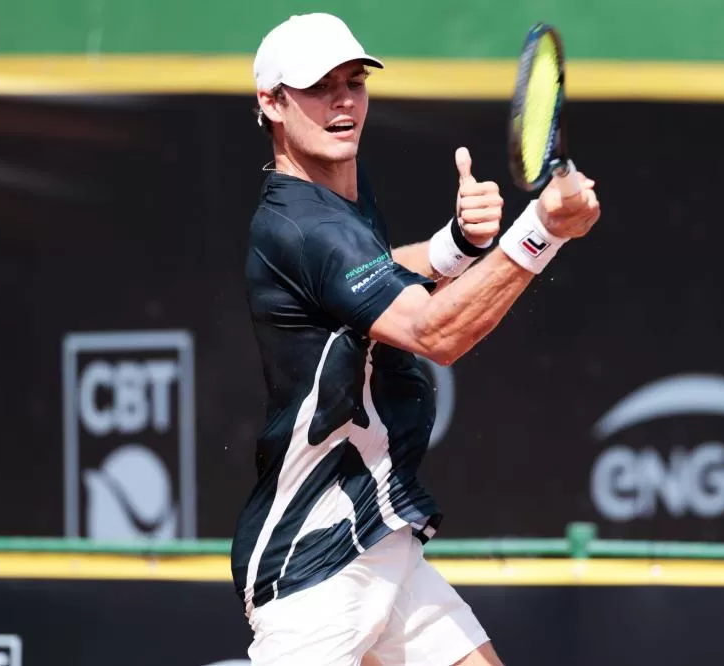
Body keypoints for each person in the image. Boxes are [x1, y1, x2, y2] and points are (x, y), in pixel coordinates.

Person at [231, 12, 601, 666]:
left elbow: (361, 280)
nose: (343, 101)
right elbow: (435, 332)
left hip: (378, 534)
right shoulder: (299, 225)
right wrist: (544, 228)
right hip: (313, 564)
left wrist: (452, 247)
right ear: (272, 102)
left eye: (354, 81)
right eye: (320, 87)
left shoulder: (342, 191)